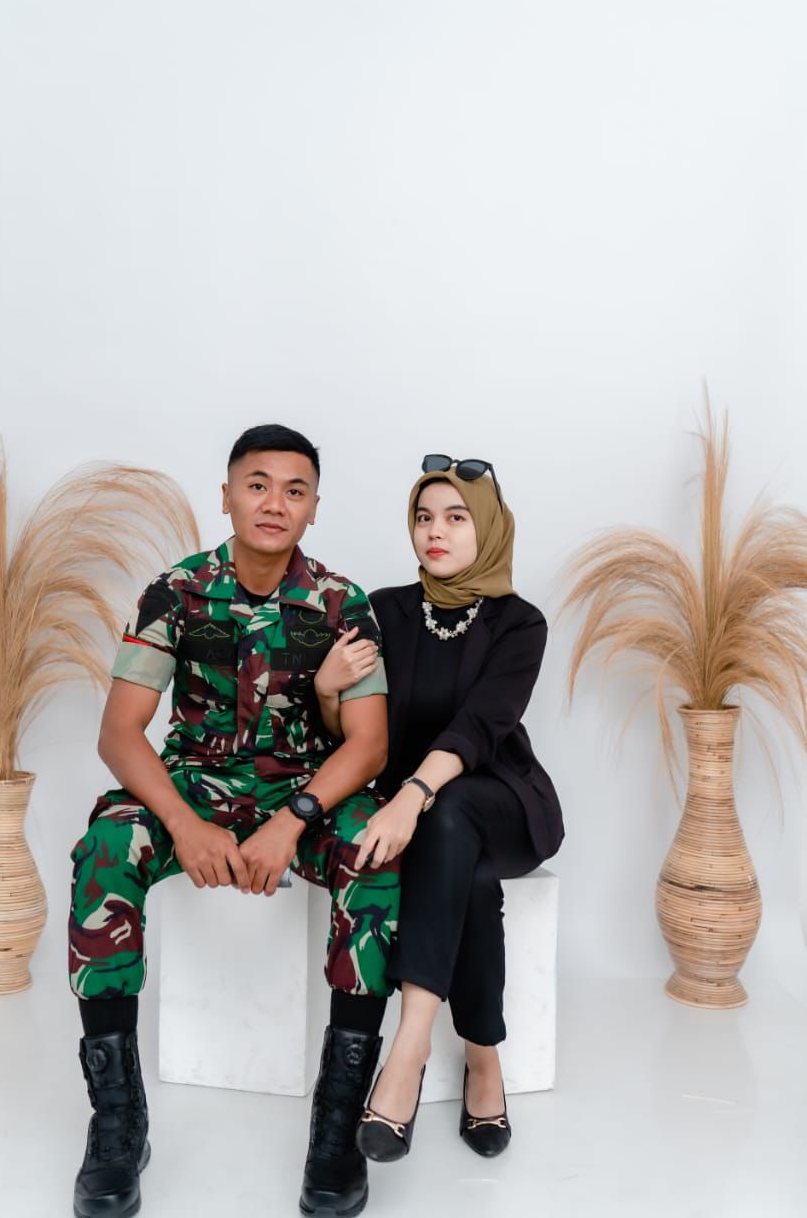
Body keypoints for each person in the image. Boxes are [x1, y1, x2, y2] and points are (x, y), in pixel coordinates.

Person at [67, 424, 400, 1218]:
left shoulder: (341, 603)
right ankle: (117, 1125)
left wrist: (294, 821)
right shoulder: (176, 592)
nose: (274, 503)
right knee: (107, 843)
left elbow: (369, 743)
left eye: (294, 490)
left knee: (374, 852)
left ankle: (336, 1126)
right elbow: (120, 733)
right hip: (195, 787)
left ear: (313, 507)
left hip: (305, 791)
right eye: (257, 485)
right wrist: (184, 824)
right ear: (226, 496)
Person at [313, 456, 563, 1163]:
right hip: (426, 816)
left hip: (503, 801)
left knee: (450, 813)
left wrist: (411, 797)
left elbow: (482, 726)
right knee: (467, 877)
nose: (435, 531)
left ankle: (410, 1047)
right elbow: (353, 729)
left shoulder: (520, 622)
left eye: (456, 517)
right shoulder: (384, 611)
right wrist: (328, 690)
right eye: (424, 517)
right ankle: (483, 1056)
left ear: (487, 527)